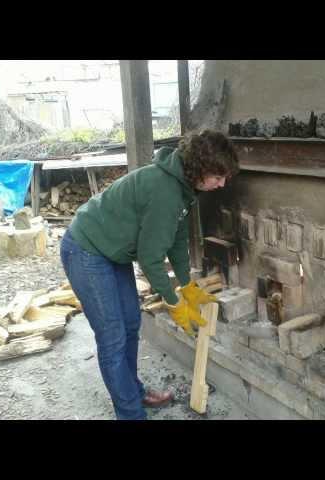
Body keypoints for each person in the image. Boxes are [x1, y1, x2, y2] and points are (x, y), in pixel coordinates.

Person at [59, 130, 239, 420]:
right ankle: (130, 413)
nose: (222, 184)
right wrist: (173, 302)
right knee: (112, 338)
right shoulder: (164, 190)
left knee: (131, 323)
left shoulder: (183, 187)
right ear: (201, 168)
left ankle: (134, 392)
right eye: (218, 177)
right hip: (87, 249)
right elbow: (151, 258)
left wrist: (187, 285)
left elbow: (177, 240)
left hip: (113, 250)